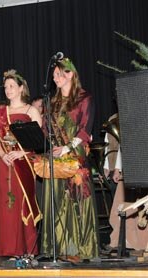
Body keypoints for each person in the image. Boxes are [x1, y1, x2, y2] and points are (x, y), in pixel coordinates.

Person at [40, 57, 98, 260]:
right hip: (55, 155)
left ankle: (79, 248)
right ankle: (58, 248)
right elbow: (46, 130)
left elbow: (85, 131)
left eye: (59, 74)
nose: (55, 78)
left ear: (70, 74)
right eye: (54, 75)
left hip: (74, 154)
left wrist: (66, 148)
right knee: (56, 198)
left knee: (76, 199)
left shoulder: (84, 98)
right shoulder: (52, 102)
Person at [0, 70, 42, 258]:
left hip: (25, 163)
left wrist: (23, 152)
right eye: (5, 87)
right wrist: (3, 155)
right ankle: (10, 248)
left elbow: (39, 141)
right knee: (8, 206)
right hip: (7, 164)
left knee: (22, 204)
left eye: (12, 86)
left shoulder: (31, 111)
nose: (8, 90)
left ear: (21, 88)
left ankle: (27, 249)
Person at [104, 113, 148, 252]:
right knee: (125, 206)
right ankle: (122, 241)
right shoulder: (118, 118)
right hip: (132, 168)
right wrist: (117, 168)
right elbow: (124, 147)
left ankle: (141, 243)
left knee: (140, 208)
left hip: (142, 166)